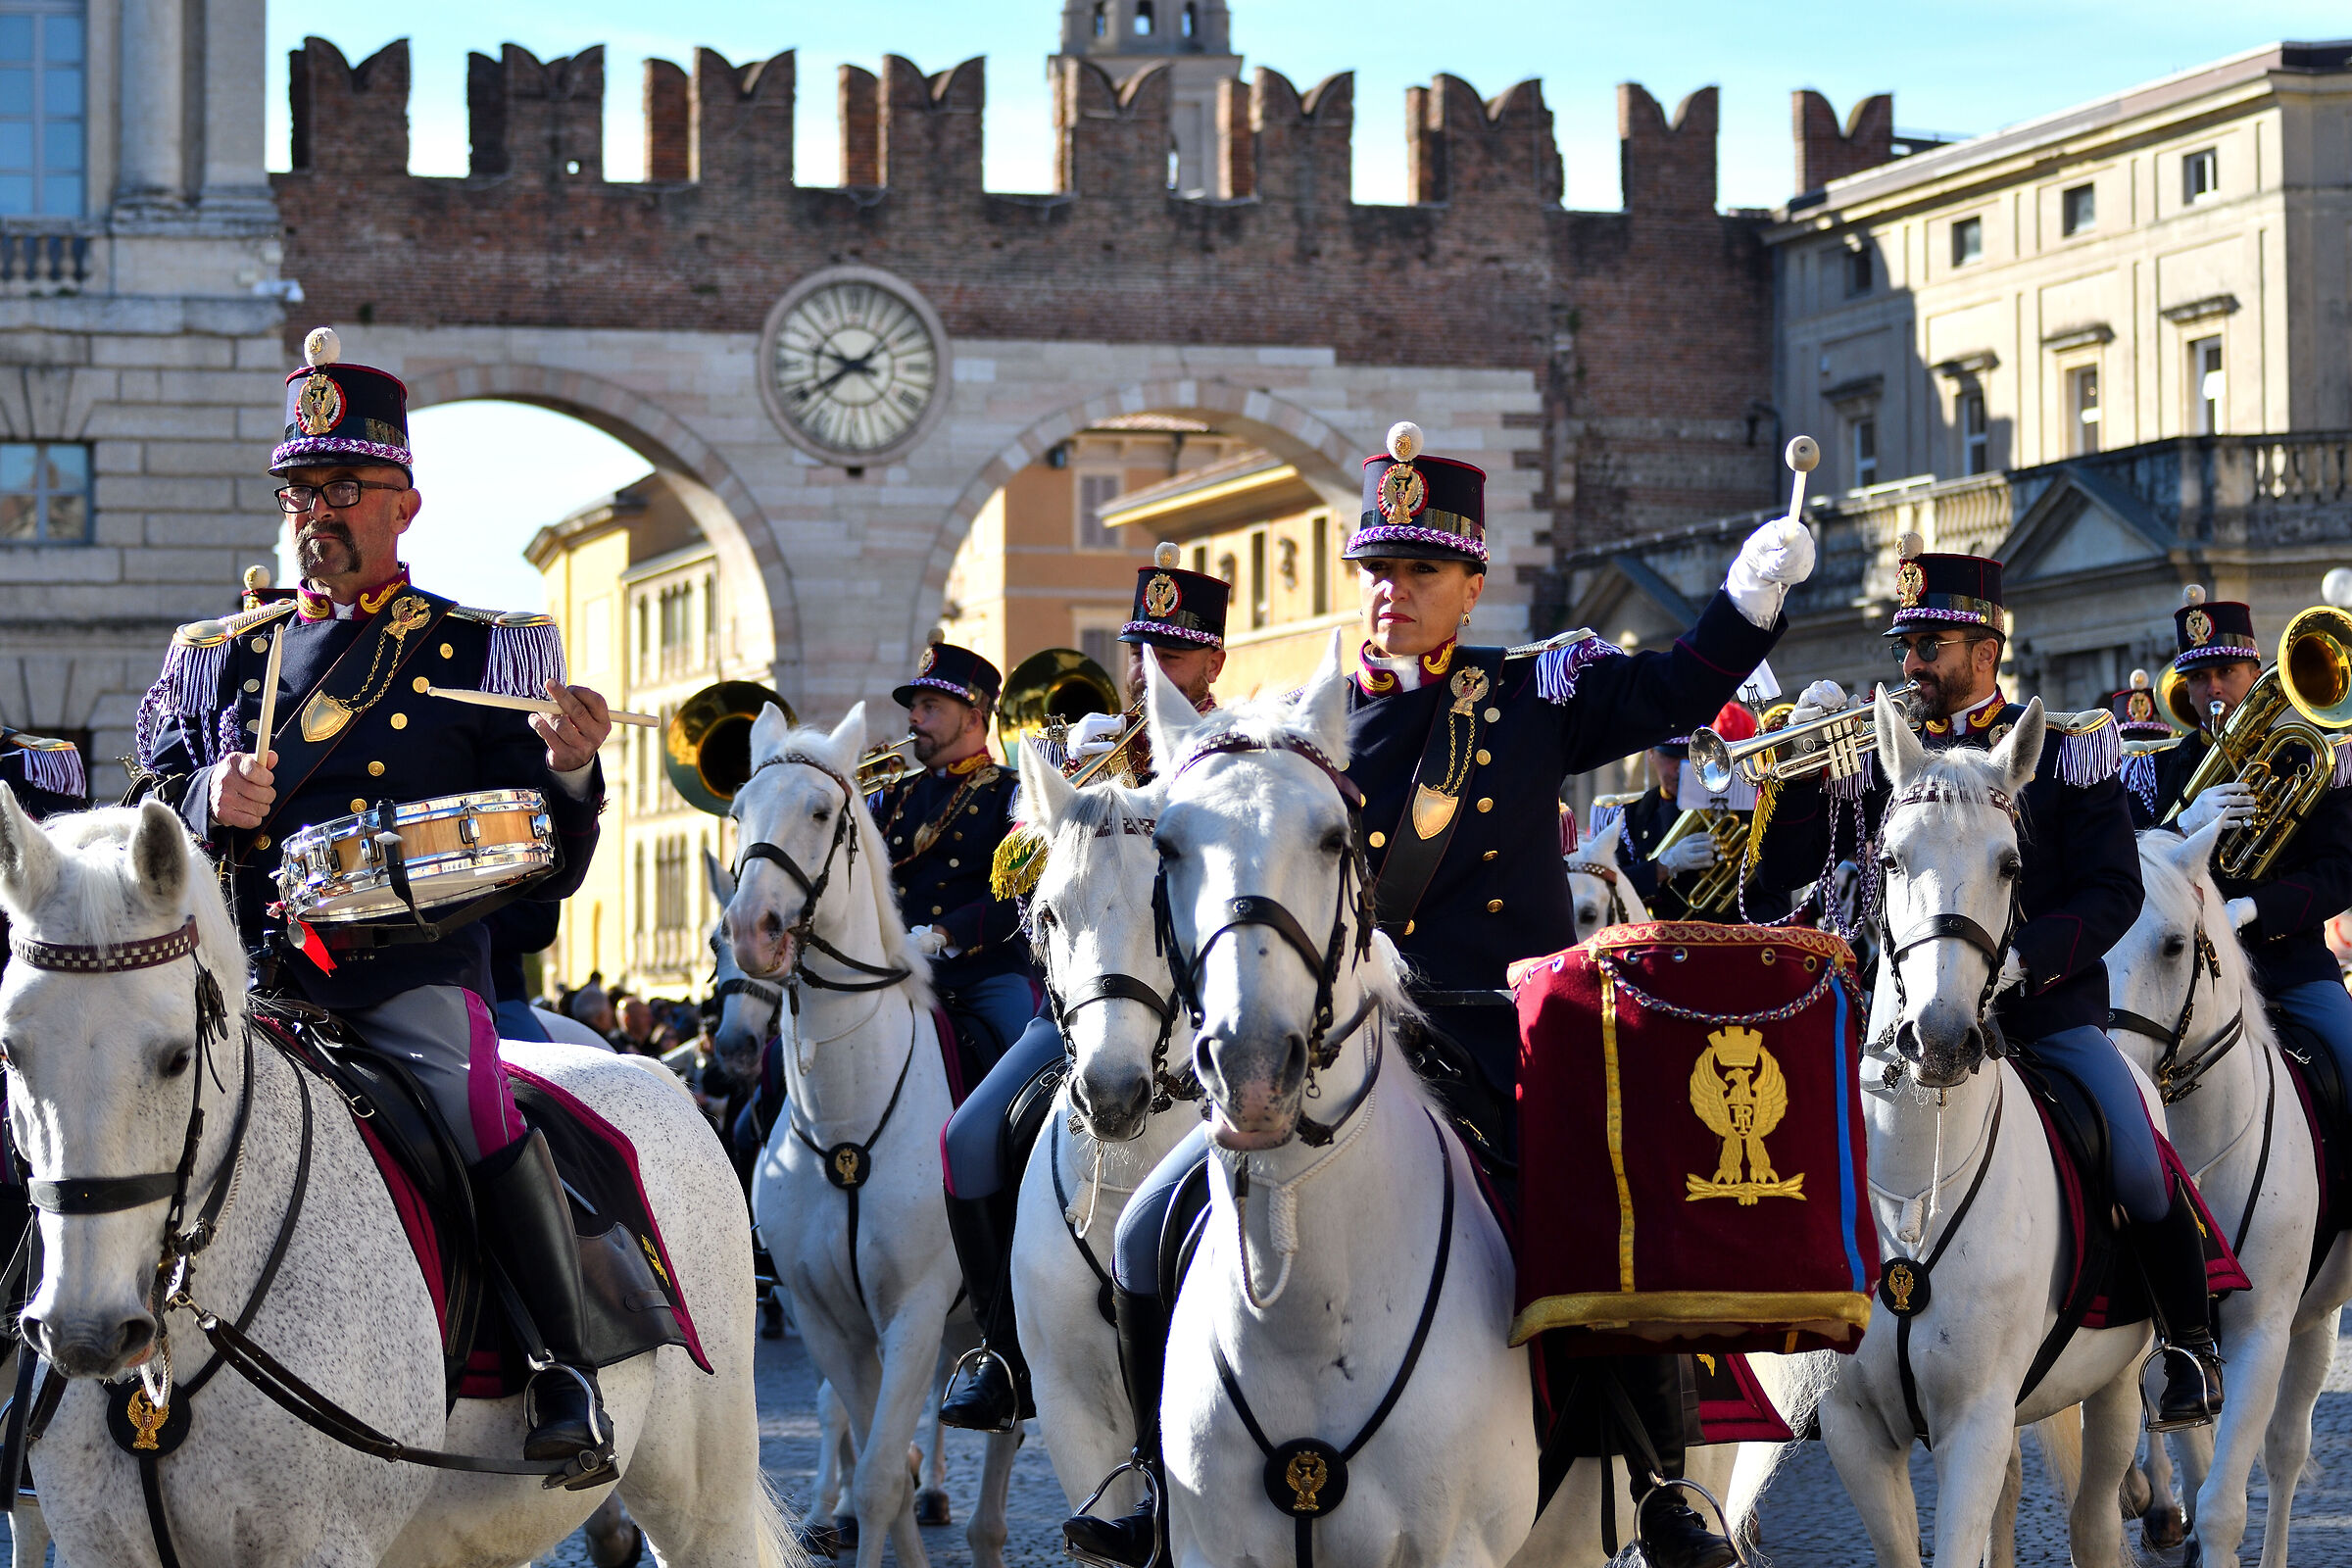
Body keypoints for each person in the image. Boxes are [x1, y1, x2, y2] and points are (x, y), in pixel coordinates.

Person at [1062, 420, 1811, 1568]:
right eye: (1376, 571)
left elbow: (1672, 689)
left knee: (1610, 1211)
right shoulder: (1293, 732)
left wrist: (1746, 605)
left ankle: (1663, 1479)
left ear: (1471, 584)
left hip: (1492, 1033)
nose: (1390, 594)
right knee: (1149, 1228)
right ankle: (1155, 1479)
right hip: (1333, 1038)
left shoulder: (1534, 691)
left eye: (1419, 572)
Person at [132, 327, 623, 1480]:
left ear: (406, 503)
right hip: (244, 971)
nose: (320, 509)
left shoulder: (488, 651)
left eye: (346, 486)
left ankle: (564, 1365)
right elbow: (144, 803)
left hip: (406, 970)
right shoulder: (217, 659)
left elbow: (545, 856)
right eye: (303, 487)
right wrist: (208, 794)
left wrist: (569, 770)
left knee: (478, 1105)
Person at [1753, 543, 2222, 1433]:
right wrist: (1807, 774)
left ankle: (2189, 1341)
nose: (1912, 664)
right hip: (1891, 1023)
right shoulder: (1876, 749)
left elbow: (2114, 887)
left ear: (1986, 649)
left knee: (2134, 1151)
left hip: (2038, 1014)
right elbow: (1779, 875)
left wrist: (2021, 963)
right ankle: (1805, 1349)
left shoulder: (2072, 749)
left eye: (1930, 644)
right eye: (1904, 646)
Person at [935, 551, 1232, 1432]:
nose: (1150, 672)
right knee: (970, 1136)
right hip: (1086, 1002)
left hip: (1205, 1006)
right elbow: (1015, 876)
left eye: (1173, 656)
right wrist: (1071, 795)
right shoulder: (1095, 743)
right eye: (1141, 650)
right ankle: (1002, 1346)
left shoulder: (1230, 750)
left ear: (1215, 662)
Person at [2130, 588, 2352, 1162]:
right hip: (2183, 977)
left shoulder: (2306, 755)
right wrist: (2182, 826)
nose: (2214, 689)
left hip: (2289, 966)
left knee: (2351, 1060)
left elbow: (2339, 872)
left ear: (2256, 669)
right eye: (2199, 677)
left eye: (2227, 670)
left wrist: (2253, 909)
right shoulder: (2156, 773)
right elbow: (2130, 871)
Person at [865, 640, 1041, 1064]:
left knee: (1027, 1058)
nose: (914, 718)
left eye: (931, 707)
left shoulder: (1013, 794)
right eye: (914, 708)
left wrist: (945, 934)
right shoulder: (896, 795)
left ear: (973, 719)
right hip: (893, 969)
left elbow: (1015, 896)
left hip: (981, 974)